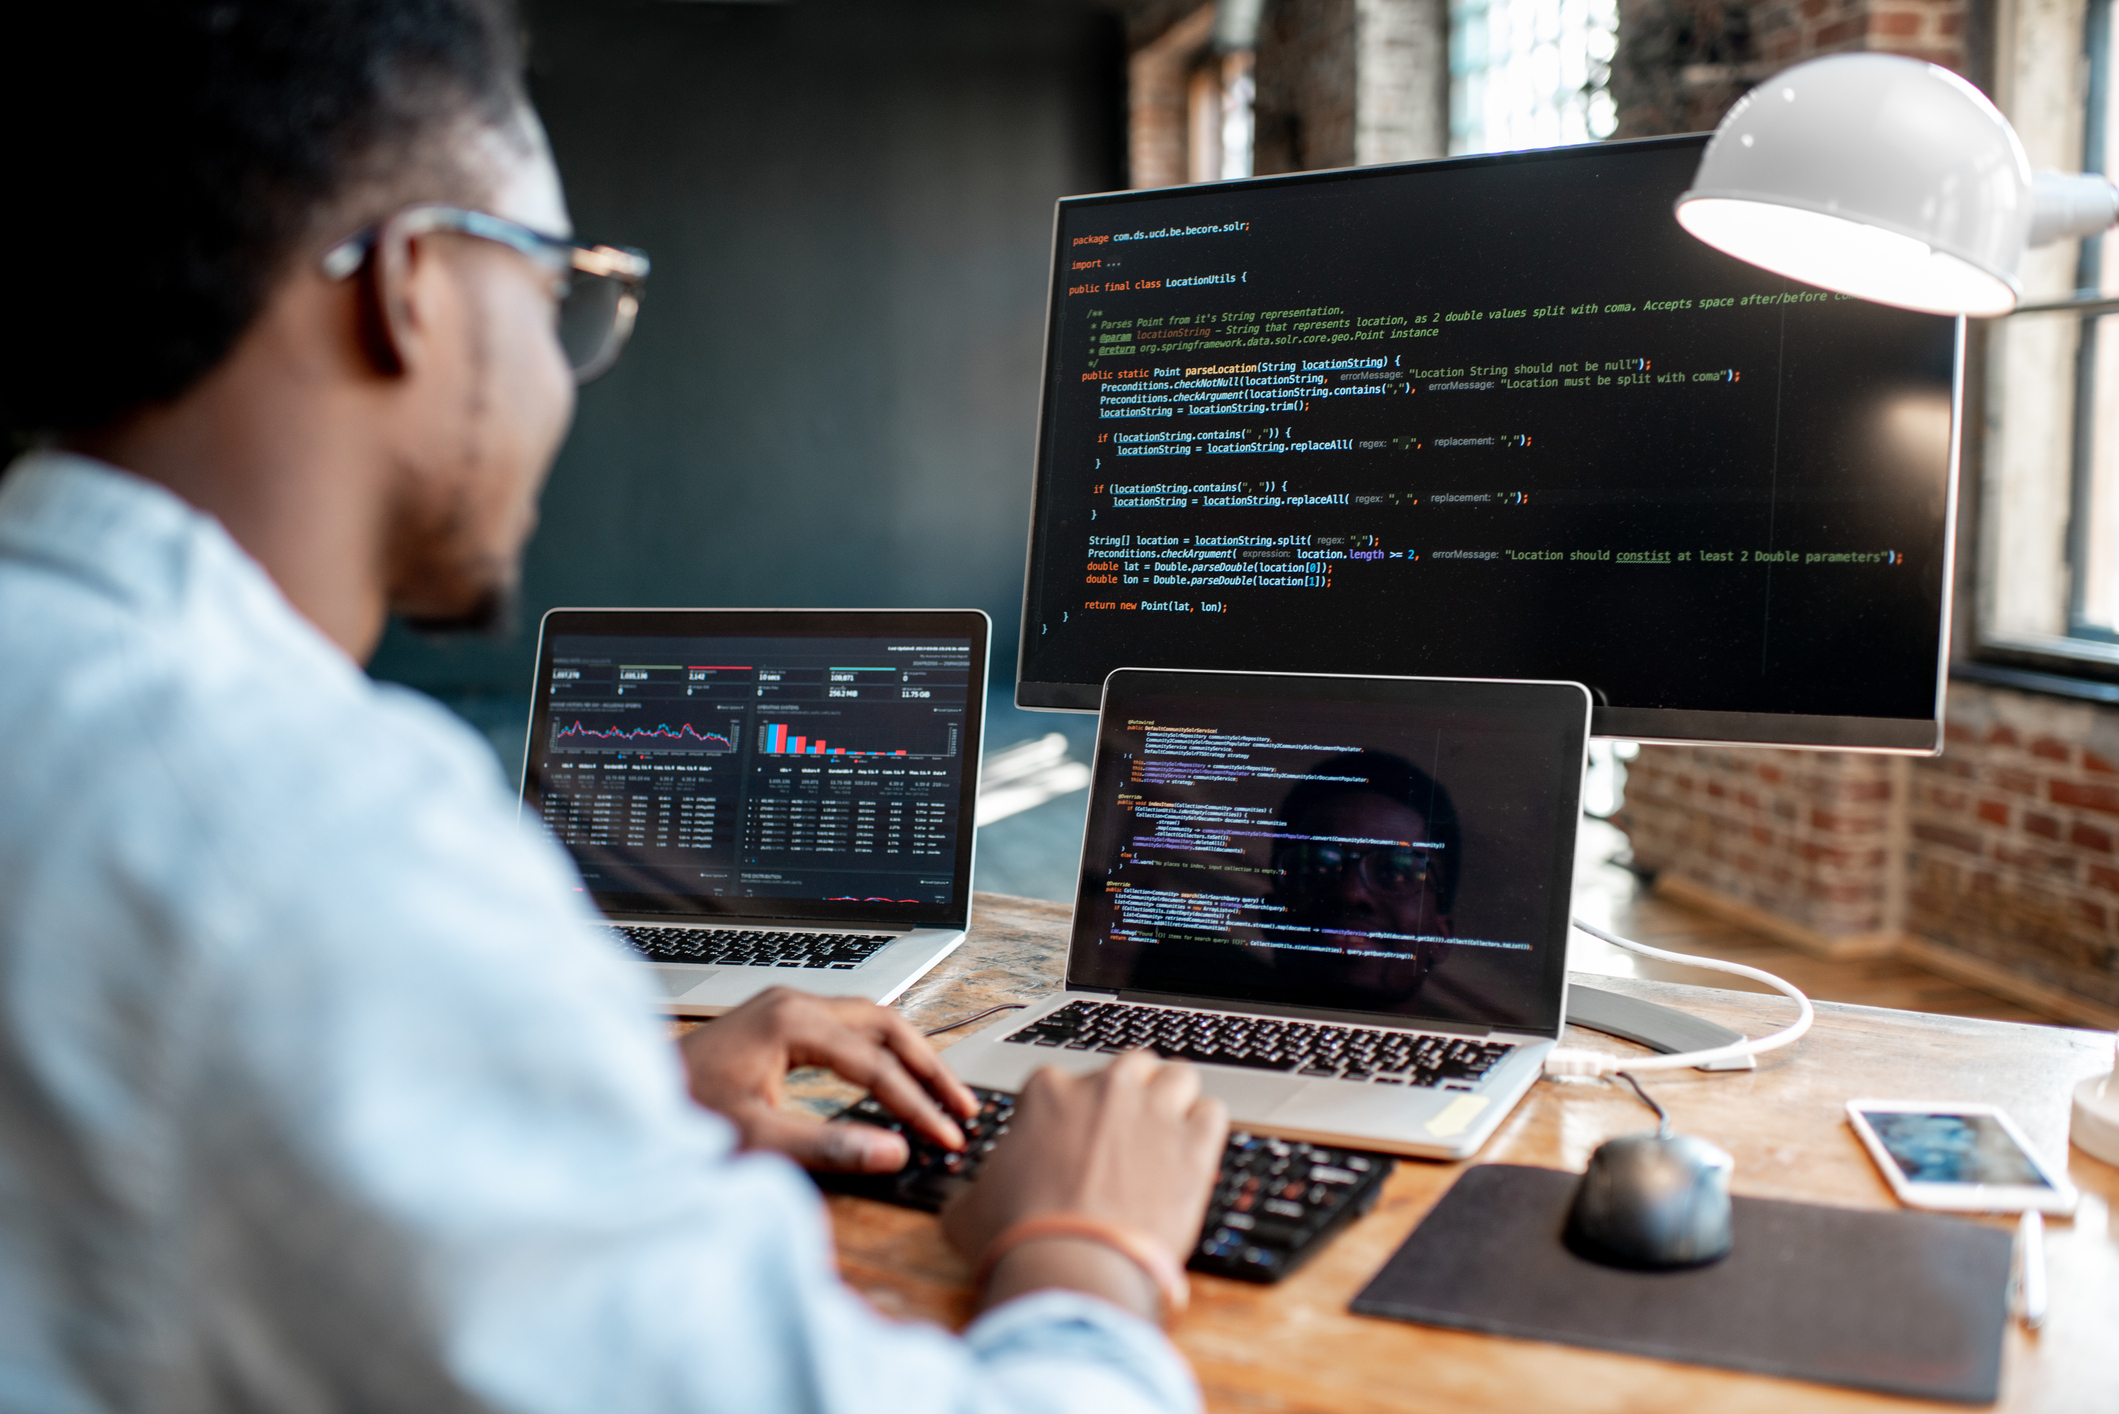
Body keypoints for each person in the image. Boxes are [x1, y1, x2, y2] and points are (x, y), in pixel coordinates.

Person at [0, 3, 1225, 1410]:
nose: (565, 378)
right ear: (411, 284)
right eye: (557, 294)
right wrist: (1092, 1248)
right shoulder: (318, 837)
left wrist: (595, 1122)